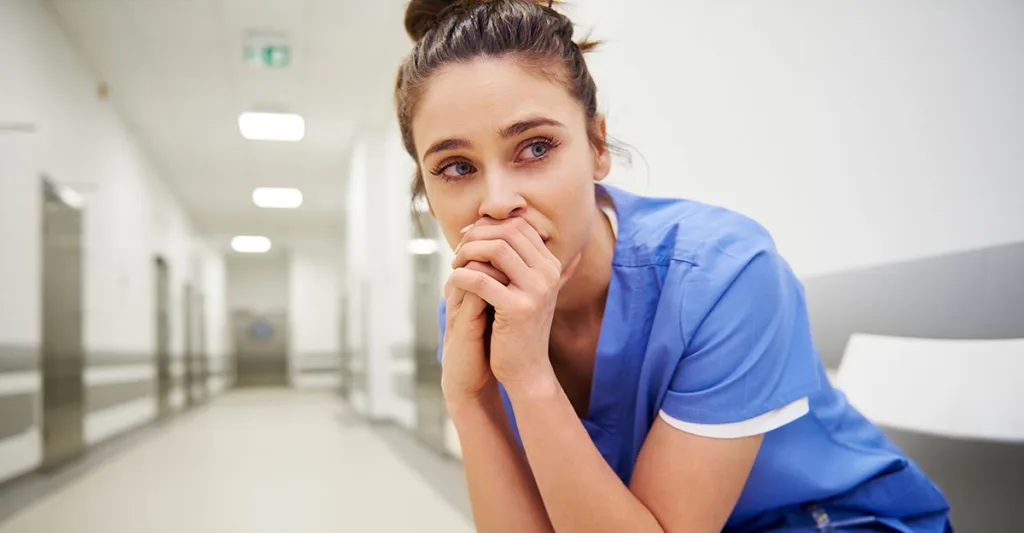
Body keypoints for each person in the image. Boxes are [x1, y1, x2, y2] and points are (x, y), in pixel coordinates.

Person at [394, 1, 952, 531]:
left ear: (597, 147)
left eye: (536, 148)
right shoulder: (471, 316)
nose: (497, 200)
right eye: (456, 166)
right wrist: (468, 400)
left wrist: (529, 377)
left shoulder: (724, 274)